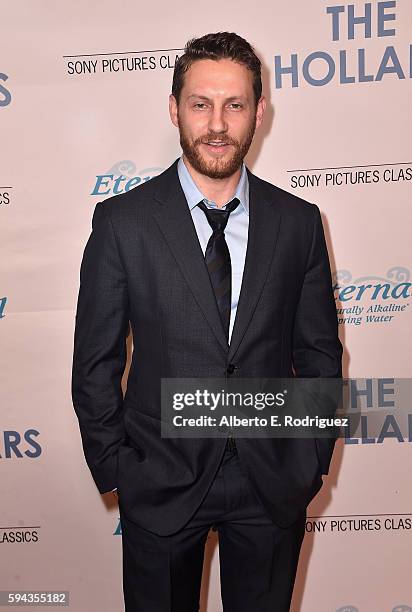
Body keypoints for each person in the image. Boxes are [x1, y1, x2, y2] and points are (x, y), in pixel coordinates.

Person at [71, 31, 343, 612]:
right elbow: (96, 360)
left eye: (234, 105)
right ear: (174, 109)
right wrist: (119, 467)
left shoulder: (298, 223)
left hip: (270, 483)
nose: (217, 124)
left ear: (259, 112)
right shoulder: (123, 223)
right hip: (160, 478)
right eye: (201, 104)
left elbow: (319, 352)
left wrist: (311, 456)